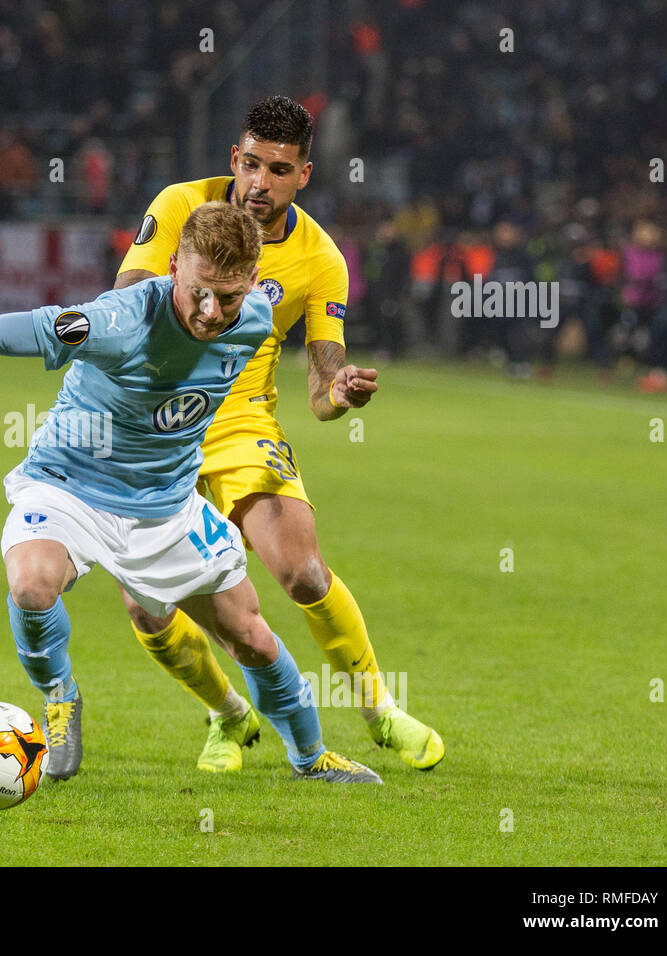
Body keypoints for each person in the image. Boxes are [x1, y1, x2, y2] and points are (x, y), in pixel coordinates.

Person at [0, 201, 381, 784]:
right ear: (173, 266)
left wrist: (336, 392)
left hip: (165, 505)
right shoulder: (116, 323)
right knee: (32, 583)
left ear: (254, 282)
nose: (207, 311)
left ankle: (311, 758)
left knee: (251, 637)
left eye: (227, 295)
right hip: (70, 484)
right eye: (198, 289)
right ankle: (60, 696)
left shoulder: (252, 321)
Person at [107, 96, 444, 775]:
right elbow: (126, 300)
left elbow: (321, 394)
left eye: (279, 170)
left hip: (237, 421)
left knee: (300, 568)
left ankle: (381, 711)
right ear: (234, 157)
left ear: (305, 175)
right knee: (147, 606)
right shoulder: (179, 206)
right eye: (252, 164)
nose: (260, 183)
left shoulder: (320, 259)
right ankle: (228, 717)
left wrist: (340, 391)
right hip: (150, 420)